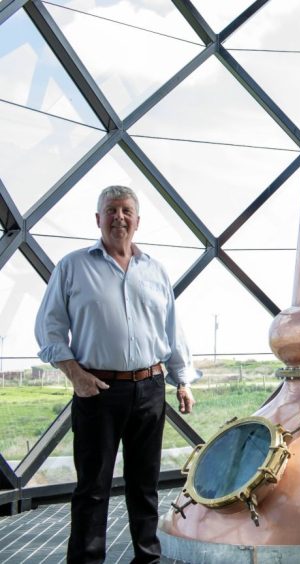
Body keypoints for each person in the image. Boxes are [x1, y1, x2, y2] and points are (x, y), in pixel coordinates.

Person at [35, 185, 198, 564]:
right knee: (93, 487)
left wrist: (183, 380)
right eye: (110, 210)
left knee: (145, 486)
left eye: (126, 210)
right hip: (97, 389)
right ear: (98, 219)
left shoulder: (155, 270)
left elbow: (171, 330)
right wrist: (74, 374)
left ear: (137, 221)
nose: (118, 217)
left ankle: (148, 557)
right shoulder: (72, 266)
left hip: (150, 388)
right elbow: (49, 328)